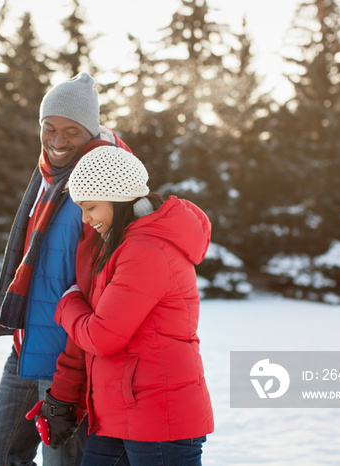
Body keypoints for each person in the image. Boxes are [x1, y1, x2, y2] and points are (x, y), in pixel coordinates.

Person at [0, 72, 132, 466]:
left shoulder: (101, 182)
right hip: (28, 343)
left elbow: (101, 286)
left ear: (92, 131)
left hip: (68, 353)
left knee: (63, 462)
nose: (58, 140)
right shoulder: (48, 176)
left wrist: (72, 371)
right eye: (49, 128)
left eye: (71, 130)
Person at [48, 146, 215, 465]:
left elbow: (102, 336)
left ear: (116, 197)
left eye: (91, 207)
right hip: (121, 413)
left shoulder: (146, 251)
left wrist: (68, 303)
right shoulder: (122, 245)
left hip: (158, 419)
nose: (86, 219)